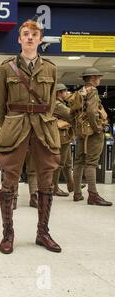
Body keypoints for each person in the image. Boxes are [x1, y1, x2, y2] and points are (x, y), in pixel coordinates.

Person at [0, 19, 62, 254]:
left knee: (46, 180)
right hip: (15, 126)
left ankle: (43, 232)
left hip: (43, 128)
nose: (30, 37)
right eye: (25, 34)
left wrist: (43, 120)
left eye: (34, 34)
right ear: (19, 39)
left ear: (40, 40)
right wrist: (9, 126)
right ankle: (8, 233)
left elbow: (51, 103)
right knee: (9, 181)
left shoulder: (50, 68)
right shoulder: (6, 68)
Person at [72, 68, 112, 206]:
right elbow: (91, 111)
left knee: (79, 161)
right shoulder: (93, 91)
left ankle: (77, 193)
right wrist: (98, 128)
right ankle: (93, 195)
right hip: (92, 133)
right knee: (91, 162)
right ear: (93, 78)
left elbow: (73, 112)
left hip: (81, 131)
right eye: (98, 77)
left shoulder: (79, 92)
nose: (100, 79)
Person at [52, 83, 74, 196]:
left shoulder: (60, 103)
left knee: (68, 163)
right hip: (61, 137)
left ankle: (71, 184)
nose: (67, 93)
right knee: (59, 163)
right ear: (58, 93)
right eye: (64, 91)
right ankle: (54, 188)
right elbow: (72, 115)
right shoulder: (57, 104)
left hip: (65, 135)